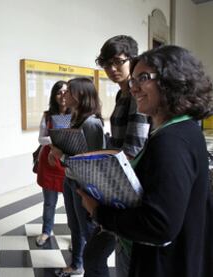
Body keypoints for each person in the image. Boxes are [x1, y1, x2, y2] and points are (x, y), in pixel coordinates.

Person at [79, 45, 213, 277]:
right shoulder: (182, 129)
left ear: (173, 80)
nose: (134, 88)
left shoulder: (172, 141)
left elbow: (159, 225)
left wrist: (99, 213)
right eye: (133, 80)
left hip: (163, 263)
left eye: (144, 77)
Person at [84, 35, 151, 277]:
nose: (111, 69)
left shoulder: (136, 95)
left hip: (126, 188)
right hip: (114, 181)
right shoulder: (123, 94)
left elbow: (133, 148)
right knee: (94, 252)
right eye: (106, 64)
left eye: (117, 62)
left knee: (106, 257)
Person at [50, 78, 105, 276]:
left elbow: (91, 162)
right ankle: (76, 264)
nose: (64, 95)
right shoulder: (74, 118)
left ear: (80, 95)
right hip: (70, 179)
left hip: (84, 184)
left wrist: (61, 155)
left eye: (68, 91)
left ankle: (90, 266)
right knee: (74, 226)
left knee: (87, 229)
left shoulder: (91, 123)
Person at [35, 80, 70, 246]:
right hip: (49, 162)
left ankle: (75, 236)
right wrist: (56, 140)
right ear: (54, 96)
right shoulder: (48, 115)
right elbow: (41, 138)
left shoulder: (76, 114)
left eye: (65, 91)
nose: (62, 95)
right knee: (49, 202)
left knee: (72, 205)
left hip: (67, 163)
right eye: (58, 92)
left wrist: (57, 139)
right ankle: (46, 231)